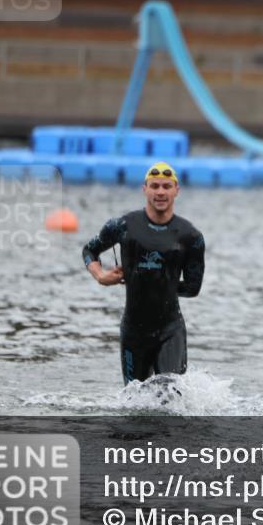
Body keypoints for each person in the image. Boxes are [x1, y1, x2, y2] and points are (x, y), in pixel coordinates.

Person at [82, 162, 205, 384]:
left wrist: (158, 282)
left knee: (170, 395)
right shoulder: (123, 226)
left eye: (166, 186)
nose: (160, 192)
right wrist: (101, 276)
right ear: (144, 189)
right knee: (135, 404)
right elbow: (89, 250)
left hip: (170, 331)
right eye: (154, 186)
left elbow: (193, 288)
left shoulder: (190, 236)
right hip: (133, 333)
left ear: (176, 190)